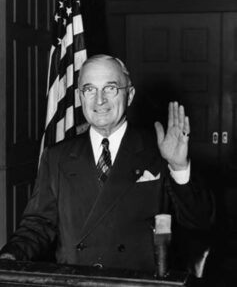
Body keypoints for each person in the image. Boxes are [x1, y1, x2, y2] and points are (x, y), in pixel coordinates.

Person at [0, 54, 214, 273]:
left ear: (129, 95)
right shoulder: (57, 157)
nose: (99, 100)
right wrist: (11, 254)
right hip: (75, 280)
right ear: (80, 96)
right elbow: (38, 226)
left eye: (110, 88)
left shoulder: (159, 150)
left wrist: (179, 167)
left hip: (137, 282)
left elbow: (198, 222)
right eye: (89, 89)